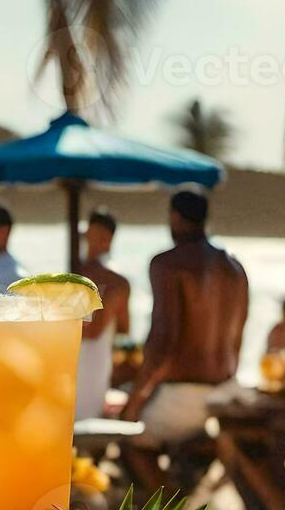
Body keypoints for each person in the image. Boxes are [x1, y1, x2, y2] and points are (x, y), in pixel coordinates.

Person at [122, 192, 247, 494]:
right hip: (226, 390)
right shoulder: (234, 267)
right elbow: (238, 338)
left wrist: (135, 402)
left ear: (175, 217)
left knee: (128, 439)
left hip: (184, 396)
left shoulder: (168, 264)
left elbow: (163, 341)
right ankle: (185, 494)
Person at [75, 208, 131, 420]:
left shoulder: (115, 282)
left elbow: (97, 331)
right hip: (72, 360)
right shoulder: (74, 273)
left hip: (92, 365)